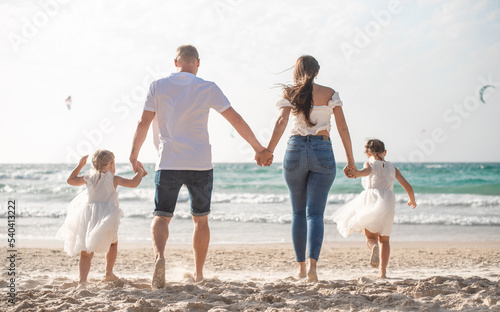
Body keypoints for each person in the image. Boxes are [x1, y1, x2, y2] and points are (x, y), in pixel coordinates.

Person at [129, 45, 266, 289]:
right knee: (200, 220)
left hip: (169, 161)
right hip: (200, 162)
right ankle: (199, 273)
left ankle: (160, 258)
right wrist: (258, 147)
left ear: (176, 62)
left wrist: (133, 154)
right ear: (198, 63)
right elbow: (235, 118)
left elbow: (143, 121)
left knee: (161, 216)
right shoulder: (207, 87)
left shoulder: (157, 86)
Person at [258, 55, 356, 282]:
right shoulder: (330, 93)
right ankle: (313, 267)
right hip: (322, 149)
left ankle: (300, 269)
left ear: (296, 72)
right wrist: (351, 161)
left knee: (298, 213)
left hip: (295, 150)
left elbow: (281, 123)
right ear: (317, 72)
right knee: (315, 214)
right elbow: (342, 127)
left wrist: (269, 151)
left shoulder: (290, 94)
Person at [57, 150, 146, 289]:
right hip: (107, 216)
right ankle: (109, 272)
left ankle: (82, 282)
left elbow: (70, 180)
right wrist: (140, 172)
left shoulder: (89, 177)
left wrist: (80, 165)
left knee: (86, 252)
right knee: (112, 244)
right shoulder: (113, 179)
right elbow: (133, 183)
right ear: (111, 164)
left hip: (88, 215)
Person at [332, 139, 417, 278]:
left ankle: (373, 247)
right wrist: (412, 199)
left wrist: (353, 173)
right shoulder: (393, 168)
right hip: (388, 202)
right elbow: (406, 185)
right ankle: (382, 272)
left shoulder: (369, 164)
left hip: (371, 199)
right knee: (385, 239)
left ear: (367, 154)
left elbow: (363, 172)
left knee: (370, 237)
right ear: (385, 152)